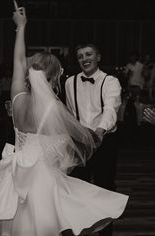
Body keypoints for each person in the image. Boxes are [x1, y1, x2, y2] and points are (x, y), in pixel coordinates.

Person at [0, 5, 128, 236]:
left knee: (11, 223)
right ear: (55, 77)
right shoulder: (54, 108)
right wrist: (97, 133)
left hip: (13, 174)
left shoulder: (16, 95)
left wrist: (21, 27)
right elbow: (84, 136)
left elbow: (17, 59)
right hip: (42, 178)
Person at [65, 43, 122, 236]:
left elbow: (111, 109)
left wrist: (98, 133)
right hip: (80, 143)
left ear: (98, 57)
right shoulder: (69, 82)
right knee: (78, 188)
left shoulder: (110, 81)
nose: (84, 59)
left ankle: (105, 232)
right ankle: (82, 229)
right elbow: (71, 114)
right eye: (80, 56)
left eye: (88, 54)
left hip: (104, 141)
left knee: (104, 186)